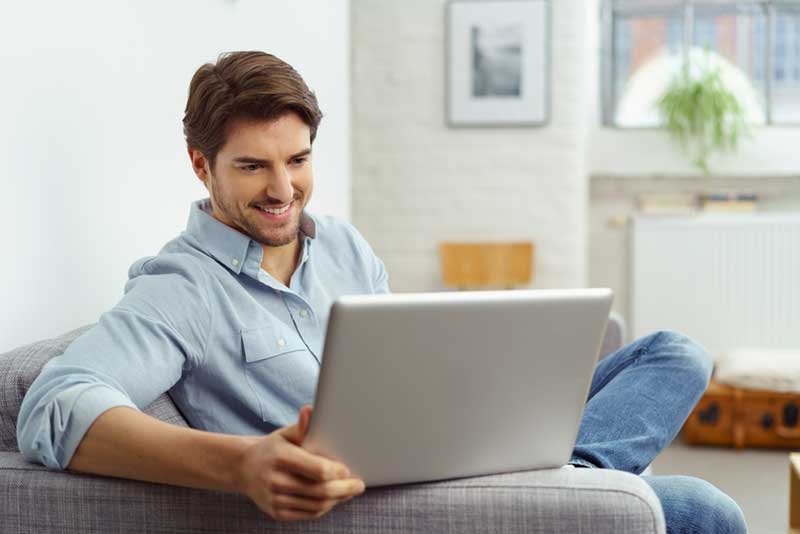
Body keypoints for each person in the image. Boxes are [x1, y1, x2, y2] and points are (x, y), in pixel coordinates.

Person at [17, 51, 747, 532]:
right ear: (200, 165)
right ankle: (568, 494)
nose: (282, 190)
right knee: (704, 509)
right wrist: (241, 464)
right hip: (387, 497)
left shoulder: (340, 243)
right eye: (252, 168)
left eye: (298, 160)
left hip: (453, 441)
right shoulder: (179, 288)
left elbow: (408, 360)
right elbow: (54, 406)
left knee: (676, 352)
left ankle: (566, 480)